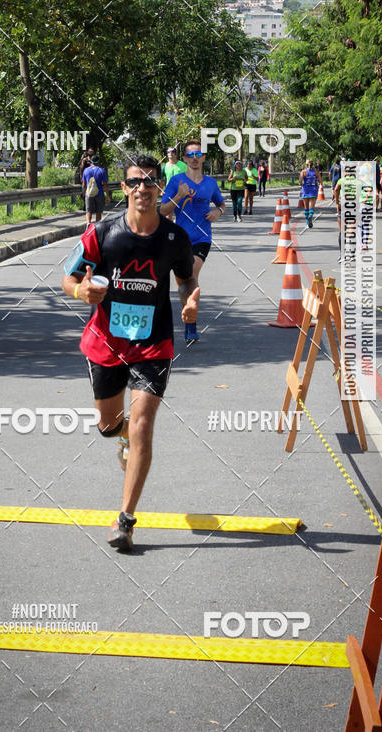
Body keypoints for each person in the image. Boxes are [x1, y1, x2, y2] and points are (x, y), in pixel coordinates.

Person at [61, 155, 199, 550]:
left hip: (153, 344)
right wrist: (80, 291)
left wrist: (190, 303)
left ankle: (125, 520)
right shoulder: (103, 233)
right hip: (105, 344)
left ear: (160, 188)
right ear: (124, 188)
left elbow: (187, 281)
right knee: (109, 425)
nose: (143, 188)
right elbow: (67, 278)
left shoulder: (175, 238)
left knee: (142, 422)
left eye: (151, 181)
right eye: (135, 182)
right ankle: (120, 435)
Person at [160, 139, 225, 341]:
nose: (195, 159)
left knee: (191, 273)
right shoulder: (176, 182)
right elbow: (163, 211)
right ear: (185, 159)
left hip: (202, 238)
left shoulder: (210, 183)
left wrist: (217, 211)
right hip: (180, 239)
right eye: (191, 155)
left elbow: (221, 204)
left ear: (203, 158)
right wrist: (179, 195)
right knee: (183, 284)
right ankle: (190, 320)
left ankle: (191, 322)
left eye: (199, 155)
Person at [82, 154, 111, 224]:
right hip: (99, 194)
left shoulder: (86, 170)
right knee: (98, 213)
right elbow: (105, 185)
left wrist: (84, 193)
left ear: (90, 161)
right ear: (98, 161)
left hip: (89, 194)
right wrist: (108, 196)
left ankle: (88, 225)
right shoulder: (102, 171)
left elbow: (84, 185)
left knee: (88, 212)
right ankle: (97, 228)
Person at [298, 159, 321, 228]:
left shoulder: (303, 172)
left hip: (305, 189)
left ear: (306, 164)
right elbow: (320, 180)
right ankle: (310, 216)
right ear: (312, 164)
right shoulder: (316, 171)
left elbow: (300, 181)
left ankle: (307, 222)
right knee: (312, 206)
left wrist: (302, 185)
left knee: (306, 207)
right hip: (313, 189)